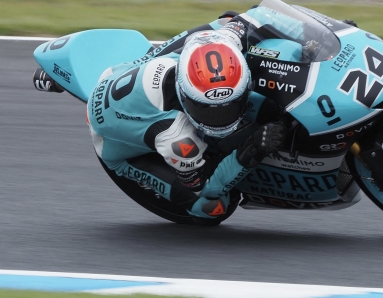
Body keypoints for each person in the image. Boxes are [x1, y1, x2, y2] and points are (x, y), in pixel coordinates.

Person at [85, 29, 288, 224]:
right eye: (208, 111)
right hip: (116, 146)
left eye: (230, 107)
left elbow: (249, 19)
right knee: (212, 208)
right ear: (184, 95)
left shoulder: (218, 42)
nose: (221, 119)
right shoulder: (176, 136)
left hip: (118, 74)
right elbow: (206, 187)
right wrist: (253, 148)